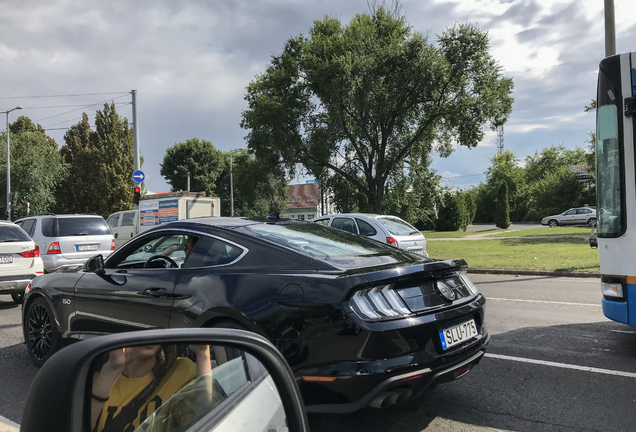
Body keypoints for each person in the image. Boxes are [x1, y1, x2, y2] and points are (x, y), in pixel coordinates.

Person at [91, 344, 211, 432]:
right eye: (139, 331)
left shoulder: (180, 371)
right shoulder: (99, 380)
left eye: (154, 330)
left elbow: (205, 418)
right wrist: (112, 369)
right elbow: (79, 424)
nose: (147, 338)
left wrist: (202, 354)